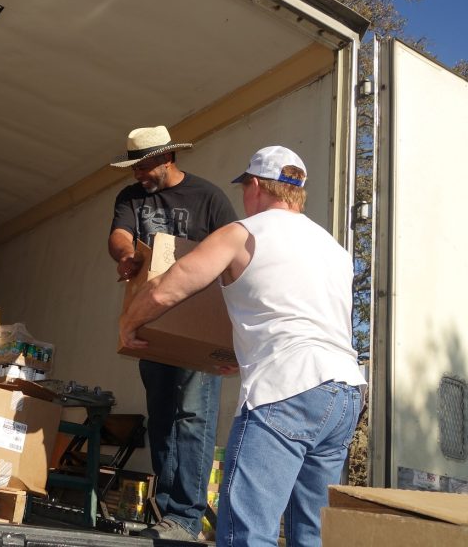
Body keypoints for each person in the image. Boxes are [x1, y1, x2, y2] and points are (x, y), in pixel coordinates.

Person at [119, 145, 366, 547]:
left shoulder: (244, 233)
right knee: (311, 534)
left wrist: (129, 322)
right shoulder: (334, 250)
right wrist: (238, 353)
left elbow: (172, 285)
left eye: (245, 189)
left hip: (286, 389)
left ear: (254, 185)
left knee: (247, 533)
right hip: (343, 395)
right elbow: (295, 312)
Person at [109, 125, 237, 542]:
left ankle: (185, 513)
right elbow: (120, 234)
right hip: (152, 319)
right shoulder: (132, 197)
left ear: (167, 158)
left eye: (144, 166)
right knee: (162, 418)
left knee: (194, 418)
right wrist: (128, 254)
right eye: (134, 167)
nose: (138, 175)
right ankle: (168, 512)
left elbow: (234, 255)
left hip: (197, 324)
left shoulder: (209, 197)